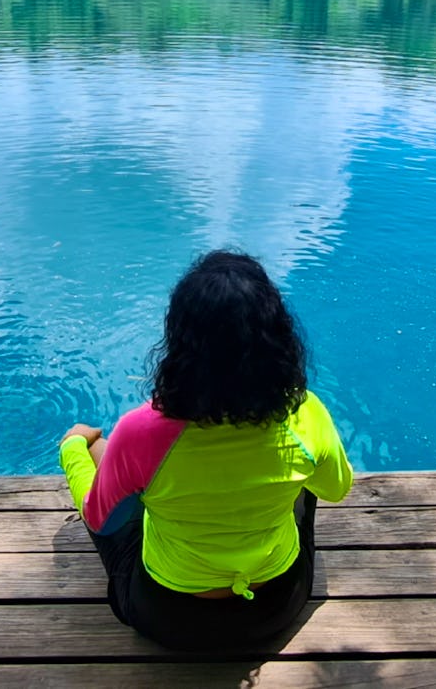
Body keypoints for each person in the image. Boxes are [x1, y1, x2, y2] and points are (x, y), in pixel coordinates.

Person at [58, 250, 353, 650]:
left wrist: (73, 448)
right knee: (307, 484)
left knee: (125, 498)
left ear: (180, 341)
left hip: (169, 616)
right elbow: (337, 488)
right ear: (277, 338)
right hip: (276, 605)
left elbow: (100, 519)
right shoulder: (305, 415)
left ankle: (92, 448)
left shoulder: (140, 432)